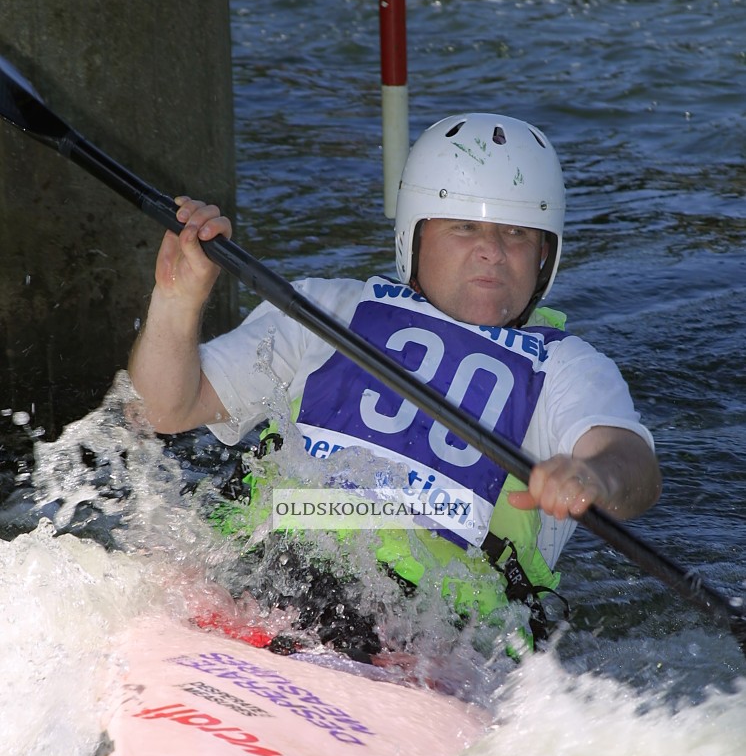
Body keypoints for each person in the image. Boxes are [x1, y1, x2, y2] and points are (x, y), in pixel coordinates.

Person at [128, 112, 661, 659]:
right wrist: (177, 300)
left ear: (545, 256)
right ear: (416, 234)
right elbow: (163, 410)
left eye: (517, 233)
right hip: (267, 575)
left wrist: (593, 475)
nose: (492, 251)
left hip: (441, 632)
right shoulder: (323, 310)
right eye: (464, 226)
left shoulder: (568, 369)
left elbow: (631, 465)